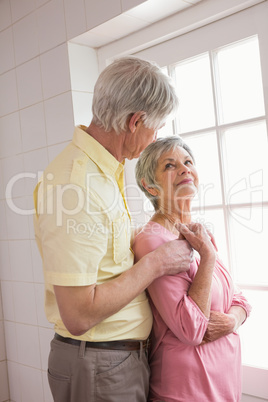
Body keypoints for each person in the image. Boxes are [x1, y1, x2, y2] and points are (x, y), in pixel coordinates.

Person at [33, 57, 193, 402]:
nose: (156, 137)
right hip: (99, 365)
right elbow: (78, 314)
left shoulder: (105, 171)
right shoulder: (75, 186)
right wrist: (156, 263)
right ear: (135, 121)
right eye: (156, 126)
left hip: (111, 362)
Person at [133, 136, 251, 402]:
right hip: (185, 391)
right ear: (150, 187)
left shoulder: (200, 232)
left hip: (225, 389)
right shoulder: (153, 240)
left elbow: (240, 299)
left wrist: (232, 320)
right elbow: (192, 329)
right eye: (169, 166)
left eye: (188, 162)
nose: (185, 169)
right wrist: (207, 255)